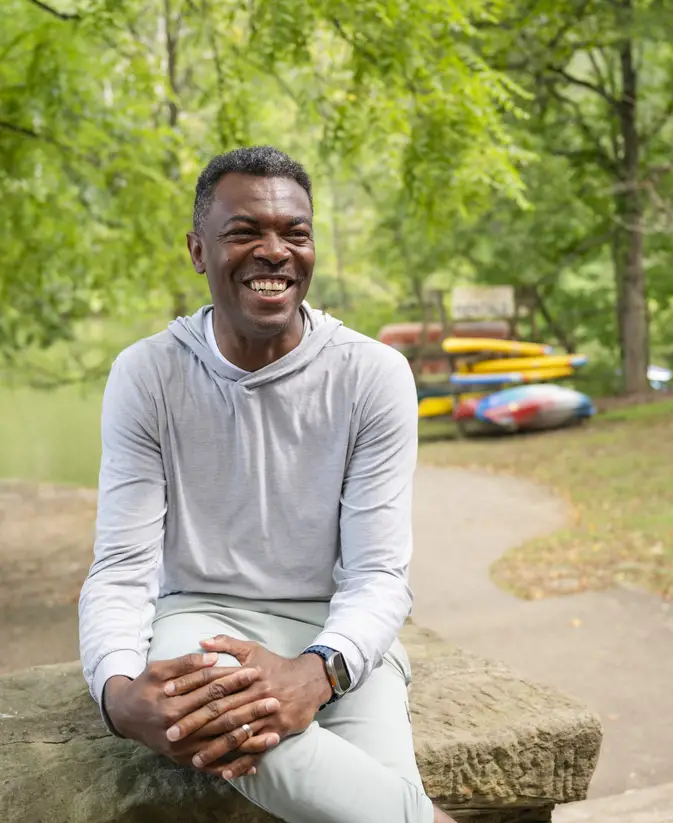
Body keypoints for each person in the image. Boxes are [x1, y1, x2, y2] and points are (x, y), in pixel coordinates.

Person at [79, 145, 455, 823]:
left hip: (337, 632)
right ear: (199, 250)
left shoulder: (373, 376)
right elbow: (122, 568)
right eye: (245, 232)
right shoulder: (148, 377)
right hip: (199, 625)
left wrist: (317, 670)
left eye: (295, 233)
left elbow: (378, 574)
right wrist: (115, 691)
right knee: (222, 712)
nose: (275, 251)